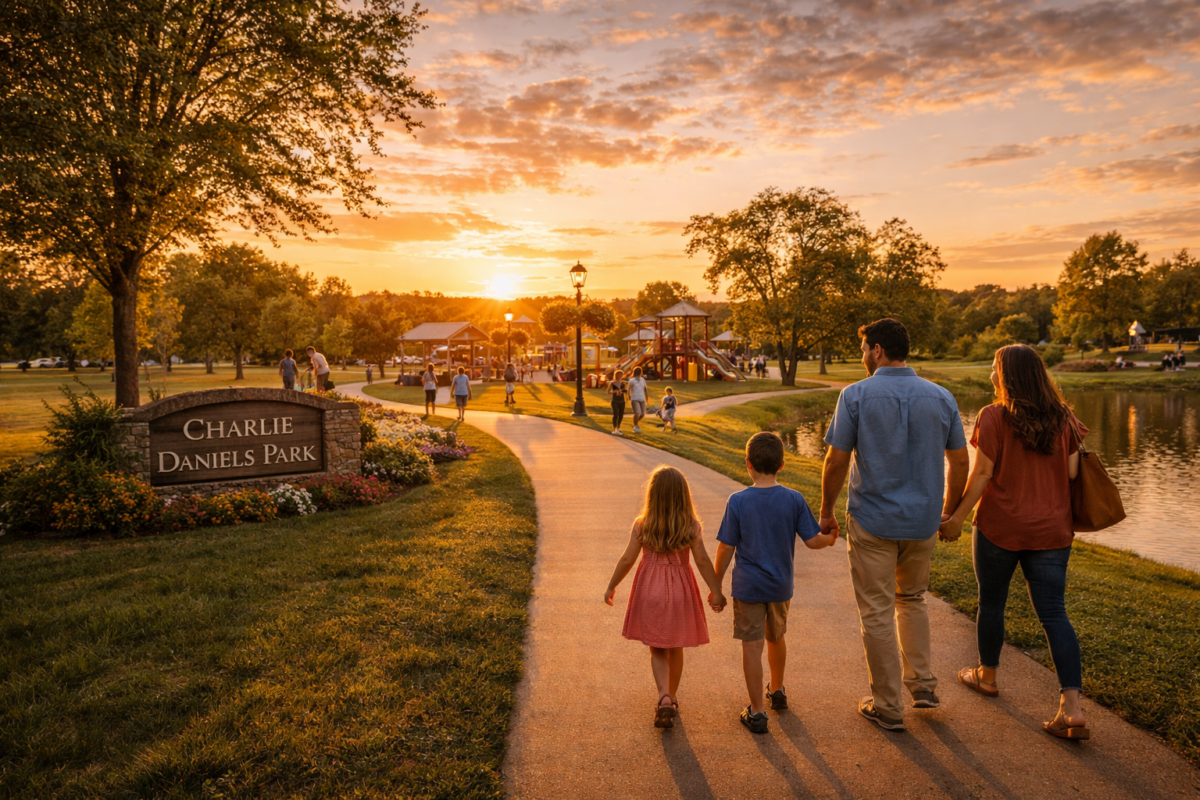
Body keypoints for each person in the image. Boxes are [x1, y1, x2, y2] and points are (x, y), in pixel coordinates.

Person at [819, 318, 970, 731]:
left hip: (872, 519)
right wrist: (949, 510)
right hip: (922, 521)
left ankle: (888, 705)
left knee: (877, 611)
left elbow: (836, 460)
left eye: (864, 348)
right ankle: (922, 684)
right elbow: (959, 461)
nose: (862, 356)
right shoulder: (941, 397)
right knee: (914, 598)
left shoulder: (855, 396)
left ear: (878, 350)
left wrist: (826, 512)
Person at [938, 344, 1089, 741]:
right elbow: (1073, 473)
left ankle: (986, 676)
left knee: (992, 601)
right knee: (1054, 613)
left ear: (1008, 376)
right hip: (1052, 530)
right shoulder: (1065, 418)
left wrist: (955, 517)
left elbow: (983, 474)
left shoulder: (993, 416)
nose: (991, 374)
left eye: (994, 368)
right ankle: (1071, 709)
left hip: (999, 528)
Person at [713, 432, 838, 733]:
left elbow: (726, 547)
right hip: (780, 587)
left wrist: (715, 586)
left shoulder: (738, 501)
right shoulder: (793, 499)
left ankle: (757, 711)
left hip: (748, 588)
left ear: (748, 464)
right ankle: (778, 689)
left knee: (752, 646)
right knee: (776, 637)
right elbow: (812, 541)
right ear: (782, 465)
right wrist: (831, 538)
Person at [605, 466, 726, 729]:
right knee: (676, 646)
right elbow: (703, 560)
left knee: (657, 647)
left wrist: (612, 585)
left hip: (651, 589)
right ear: (684, 496)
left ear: (652, 496)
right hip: (680, 589)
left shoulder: (642, 524)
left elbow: (627, 558)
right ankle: (672, 696)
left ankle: (663, 696)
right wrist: (716, 591)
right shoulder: (691, 526)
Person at [608, 369, 629, 435]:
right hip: (615, 401)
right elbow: (608, 392)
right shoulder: (612, 383)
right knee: (615, 414)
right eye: (619, 375)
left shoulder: (623, 383)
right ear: (616, 375)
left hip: (622, 401)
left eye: (621, 375)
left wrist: (623, 391)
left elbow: (626, 391)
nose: (620, 376)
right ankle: (615, 429)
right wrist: (614, 392)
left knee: (621, 415)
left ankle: (618, 428)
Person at [628, 367, 648, 434]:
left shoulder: (642, 379)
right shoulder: (632, 380)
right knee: (637, 412)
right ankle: (635, 426)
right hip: (634, 398)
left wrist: (647, 398)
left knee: (642, 413)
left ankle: (635, 423)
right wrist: (629, 396)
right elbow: (628, 389)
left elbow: (645, 389)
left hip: (642, 398)